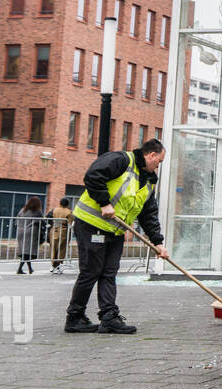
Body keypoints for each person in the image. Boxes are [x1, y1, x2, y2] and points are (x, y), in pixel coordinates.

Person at [65, 139, 169, 334]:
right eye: (159, 161)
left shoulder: (147, 182)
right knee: (91, 271)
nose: (158, 165)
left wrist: (158, 242)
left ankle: (109, 317)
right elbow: (93, 176)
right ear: (151, 155)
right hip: (92, 224)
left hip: (115, 230)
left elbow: (148, 214)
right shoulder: (121, 160)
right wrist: (104, 203)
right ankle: (75, 317)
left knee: (109, 272)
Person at [15, 197, 43, 275]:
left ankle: (30, 269)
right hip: (30, 233)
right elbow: (42, 221)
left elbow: (16, 220)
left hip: (20, 232)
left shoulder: (22, 210)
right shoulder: (37, 212)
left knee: (25, 251)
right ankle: (19, 269)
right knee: (27, 252)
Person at [48, 197, 74, 270]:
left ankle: (52, 265)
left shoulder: (54, 210)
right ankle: (58, 265)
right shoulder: (69, 212)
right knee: (61, 248)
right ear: (68, 204)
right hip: (64, 231)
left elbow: (48, 218)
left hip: (54, 230)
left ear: (60, 203)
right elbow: (70, 223)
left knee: (53, 248)